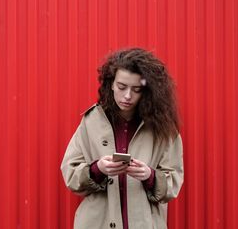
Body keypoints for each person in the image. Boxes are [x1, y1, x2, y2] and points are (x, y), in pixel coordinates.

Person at [61, 48, 184, 229]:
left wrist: (150, 176)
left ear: (147, 91)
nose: (127, 96)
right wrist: (97, 169)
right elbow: (70, 174)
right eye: (121, 87)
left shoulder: (163, 127)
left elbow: (173, 181)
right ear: (111, 84)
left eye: (136, 89)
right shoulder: (91, 120)